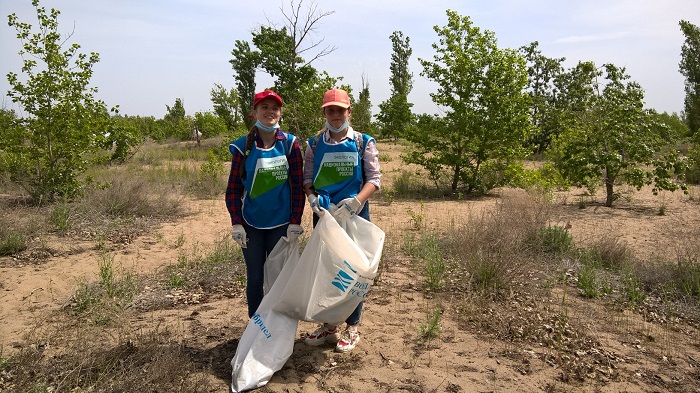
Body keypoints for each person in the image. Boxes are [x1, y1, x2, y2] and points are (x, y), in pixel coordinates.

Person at [302, 88, 382, 353]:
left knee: (353, 271)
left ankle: (353, 326)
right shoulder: (314, 144)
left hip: (355, 216)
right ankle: (329, 325)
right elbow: (308, 180)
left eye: (340, 110)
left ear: (349, 112)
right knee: (326, 270)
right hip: (325, 218)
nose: (336, 115)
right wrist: (312, 199)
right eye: (330, 110)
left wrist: (357, 201)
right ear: (324, 113)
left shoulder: (363, 142)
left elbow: (374, 179)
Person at [225, 90, 305, 319]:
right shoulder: (243, 147)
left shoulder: (290, 144)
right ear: (254, 113)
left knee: (280, 277)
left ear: (280, 113)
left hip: (281, 224)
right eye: (264, 107)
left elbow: (298, 186)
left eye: (275, 108)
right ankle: (256, 326)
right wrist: (236, 223)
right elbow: (233, 189)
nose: (270, 112)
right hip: (251, 224)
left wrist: (295, 221)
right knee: (256, 277)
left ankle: (277, 326)